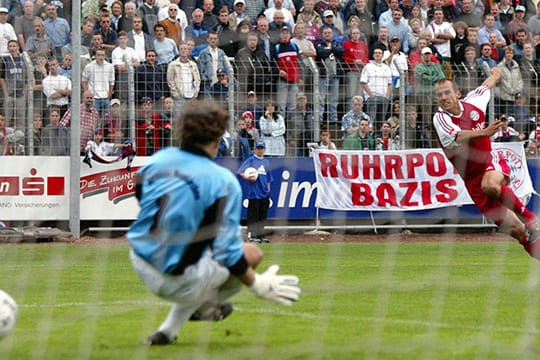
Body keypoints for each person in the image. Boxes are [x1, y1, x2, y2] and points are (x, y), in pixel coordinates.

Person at [127, 100, 300, 345]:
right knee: (251, 252)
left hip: (141, 261)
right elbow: (228, 253)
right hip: (178, 280)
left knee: (200, 248)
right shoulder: (222, 181)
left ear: (182, 133)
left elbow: (141, 192)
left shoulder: (158, 160)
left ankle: (167, 332)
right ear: (219, 139)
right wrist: (257, 284)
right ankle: (206, 305)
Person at [433, 67, 540, 260]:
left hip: (490, 161)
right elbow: (457, 135)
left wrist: (496, 72)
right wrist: (485, 132)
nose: (443, 97)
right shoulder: (440, 119)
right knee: (518, 231)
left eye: (447, 92)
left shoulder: (474, 101)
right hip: (471, 180)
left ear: (457, 93)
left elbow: (488, 84)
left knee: (489, 185)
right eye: (439, 95)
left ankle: (532, 218)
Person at [238, 140, 274, 243]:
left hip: (264, 193)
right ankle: (253, 235)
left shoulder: (266, 162)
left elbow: (269, 178)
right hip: (254, 193)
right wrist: (247, 177)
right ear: (255, 149)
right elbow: (240, 171)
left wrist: (268, 190)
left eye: (261, 148)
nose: (260, 150)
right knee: (253, 215)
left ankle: (261, 236)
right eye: (258, 148)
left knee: (262, 216)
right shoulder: (251, 160)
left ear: (264, 150)